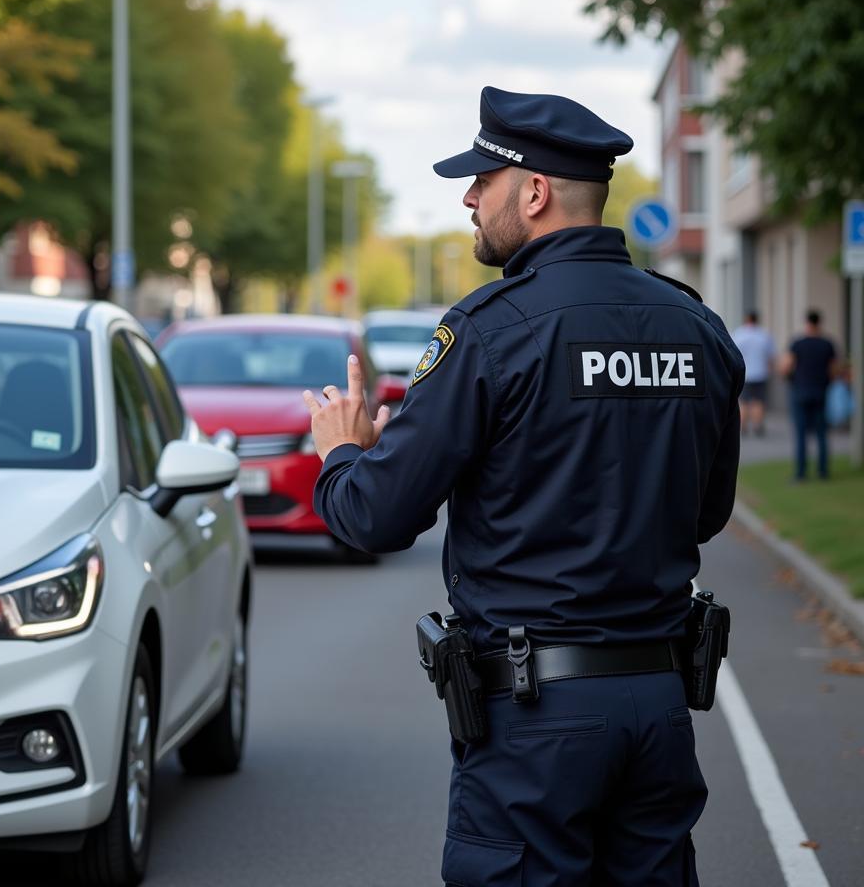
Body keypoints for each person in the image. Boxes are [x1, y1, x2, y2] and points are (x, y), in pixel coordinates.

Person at [302, 87, 745, 887]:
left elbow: (374, 517)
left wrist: (341, 455)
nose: (469, 199)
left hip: (536, 718)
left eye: (482, 180)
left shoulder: (491, 329)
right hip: (657, 707)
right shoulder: (695, 327)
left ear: (534, 193)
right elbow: (707, 514)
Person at [781, 310, 838, 480]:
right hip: (820, 392)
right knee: (821, 434)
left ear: (807, 323)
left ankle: (801, 473)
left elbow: (785, 367)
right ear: (819, 322)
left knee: (800, 434)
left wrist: (790, 379)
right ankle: (823, 471)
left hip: (800, 391)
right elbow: (834, 370)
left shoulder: (798, 343)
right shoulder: (828, 344)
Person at [731, 310, 776, 435]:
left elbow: (732, 353)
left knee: (743, 401)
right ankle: (758, 426)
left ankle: (743, 427)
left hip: (745, 374)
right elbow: (771, 356)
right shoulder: (764, 335)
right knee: (759, 401)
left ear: (746, 319)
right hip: (761, 373)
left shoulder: (739, 334)